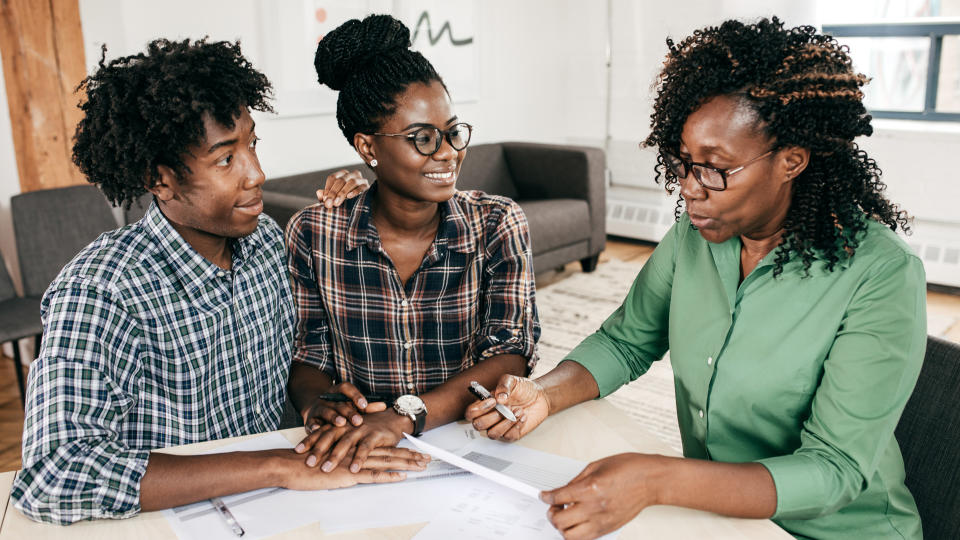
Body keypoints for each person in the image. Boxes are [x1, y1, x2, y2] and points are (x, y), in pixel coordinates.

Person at [466, 17, 925, 540]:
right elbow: (625, 341)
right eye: (683, 163)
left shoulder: (881, 274)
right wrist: (543, 394)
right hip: (714, 517)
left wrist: (657, 478)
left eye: (715, 167)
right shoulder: (695, 235)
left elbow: (833, 471)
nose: (690, 188)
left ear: (792, 161)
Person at [11, 38, 427, 525]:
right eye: (225, 159)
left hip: (284, 508)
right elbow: (52, 473)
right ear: (160, 180)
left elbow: (283, 360)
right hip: (173, 521)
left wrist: (315, 402)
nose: (257, 174)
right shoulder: (102, 290)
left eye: (252, 144)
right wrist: (277, 467)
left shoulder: (266, 242)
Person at [286, 14, 540, 475]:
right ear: (368, 148)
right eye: (422, 138)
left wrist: (406, 416)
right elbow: (308, 354)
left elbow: (511, 351)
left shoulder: (497, 223)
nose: (447, 152)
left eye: (452, 131)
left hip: (464, 439)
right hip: (359, 445)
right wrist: (316, 408)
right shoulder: (315, 234)